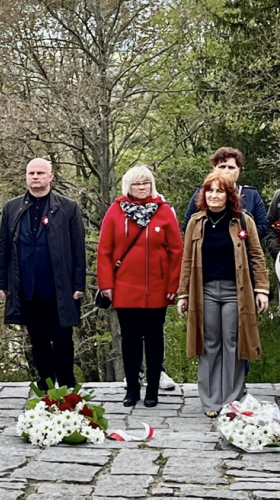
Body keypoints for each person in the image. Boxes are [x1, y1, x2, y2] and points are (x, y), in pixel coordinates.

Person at [177, 172, 270, 417]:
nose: (214, 196)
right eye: (210, 191)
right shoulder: (196, 222)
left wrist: (262, 290)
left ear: (229, 195)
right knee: (210, 344)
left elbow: (257, 256)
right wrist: (183, 294)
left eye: (220, 191)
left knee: (233, 344)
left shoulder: (242, 221)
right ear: (203, 195)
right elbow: (187, 260)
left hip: (236, 292)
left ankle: (232, 401)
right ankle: (211, 402)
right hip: (204, 292)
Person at [0, 158, 86, 390]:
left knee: (63, 338)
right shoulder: (12, 208)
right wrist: (1, 283)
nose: (35, 177)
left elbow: (78, 248)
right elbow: (3, 247)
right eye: (31, 173)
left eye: (40, 173)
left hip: (59, 286)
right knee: (38, 340)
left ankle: (67, 385)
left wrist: (79, 284)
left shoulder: (67, 207)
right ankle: (45, 384)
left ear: (50, 177)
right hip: (27, 286)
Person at [96, 166, 183, 407]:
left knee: (154, 339)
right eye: (136, 184)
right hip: (124, 288)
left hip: (157, 288)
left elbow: (177, 252)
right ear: (128, 187)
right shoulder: (115, 211)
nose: (142, 187)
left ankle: (153, 390)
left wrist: (173, 284)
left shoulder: (164, 212)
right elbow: (104, 250)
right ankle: (132, 389)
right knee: (130, 340)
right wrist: (106, 284)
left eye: (146, 183)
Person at [182, 147, 268, 238]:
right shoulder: (202, 193)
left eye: (231, 167)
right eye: (222, 166)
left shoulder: (251, 195)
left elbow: (263, 226)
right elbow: (188, 225)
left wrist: (240, 238)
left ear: (238, 170)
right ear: (214, 168)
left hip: (242, 250)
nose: (226, 171)